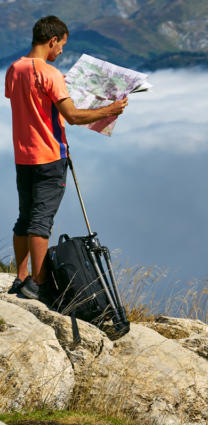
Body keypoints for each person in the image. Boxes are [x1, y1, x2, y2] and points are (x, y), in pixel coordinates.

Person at [4, 15, 127, 301]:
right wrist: (110, 110)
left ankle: (20, 278)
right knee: (41, 222)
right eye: (61, 46)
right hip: (49, 155)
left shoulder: (13, 69)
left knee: (24, 219)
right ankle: (39, 284)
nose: (61, 52)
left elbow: (26, 103)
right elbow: (72, 116)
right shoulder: (51, 74)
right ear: (52, 40)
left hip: (23, 155)